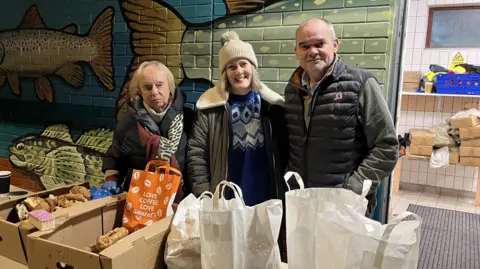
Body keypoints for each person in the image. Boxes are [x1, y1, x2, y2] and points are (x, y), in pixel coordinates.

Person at [284, 18, 399, 216]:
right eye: (304, 46)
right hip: (302, 202)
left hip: (345, 208)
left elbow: (386, 146)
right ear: (296, 52)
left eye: (320, 44)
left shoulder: (361, 84)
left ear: (335, 45)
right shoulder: (293, 90)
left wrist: (352, 191)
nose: (312, 52)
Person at [186, 30, 289, 206]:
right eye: (231, 67)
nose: (239, 71)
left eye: (243, 64)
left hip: (265, 197)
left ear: (253, 68)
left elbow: (286, 152)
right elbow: (197, 155)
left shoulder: (271, 106)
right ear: (225, 73)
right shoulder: (211, 108)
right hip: (225, 199)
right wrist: (204, 196)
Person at [101, 61, 190, 196]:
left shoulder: (188, 120)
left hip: (179, 200)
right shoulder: (128, 123)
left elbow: (198, 162)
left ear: (170, 87)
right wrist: (111, 178)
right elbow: (115, 156)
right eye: (147, 87)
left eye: (159, 85)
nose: (154, 92)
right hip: (140, 200)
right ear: (140, 92)